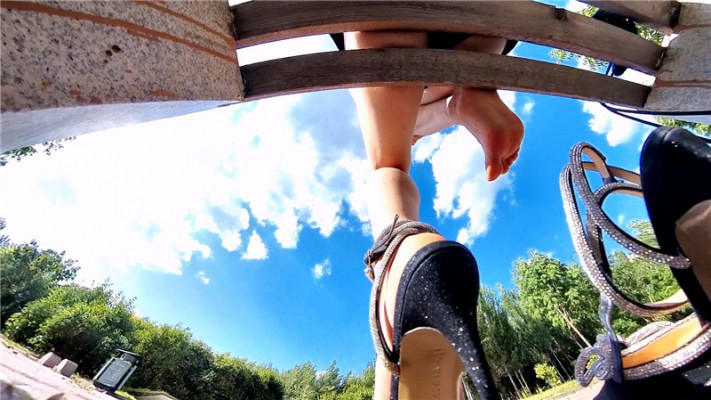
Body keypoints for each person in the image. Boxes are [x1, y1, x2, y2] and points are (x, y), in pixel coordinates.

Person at [340, 30, 524, 399]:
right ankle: (471, 90)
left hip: (383, 20)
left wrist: (422, 123)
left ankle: (396, 243)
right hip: (488, 27)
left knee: (388, 161)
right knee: (403, 108)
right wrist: (452, 106)